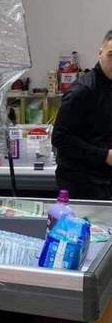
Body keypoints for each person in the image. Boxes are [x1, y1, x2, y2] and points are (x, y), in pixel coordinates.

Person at [52, 31, 112, 200]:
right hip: (82, 184)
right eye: (111, 55)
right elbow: (60, 138)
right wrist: (104, 155)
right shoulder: (83, 90)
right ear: (100, 53)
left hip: (104, 180)